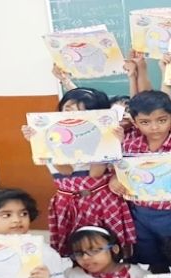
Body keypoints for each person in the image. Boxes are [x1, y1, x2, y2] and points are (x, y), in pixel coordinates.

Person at [21, 87, 136, 258]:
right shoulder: (52, 135)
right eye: (67, 109)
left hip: (101, 201)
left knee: (108, 248)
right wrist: (41, 142)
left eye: (82, 112)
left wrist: (109, 141)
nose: (73, 116)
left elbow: (96, 173)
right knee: (73, 248)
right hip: (68, 201)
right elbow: (65, 170)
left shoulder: (101, 136)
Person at [109, 90, 171, 274]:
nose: (154, 127)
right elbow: (117, 170)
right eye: (145, 122)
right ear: (135, 122)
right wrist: (115, 178)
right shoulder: (128, 145)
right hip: (140, 214)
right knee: (151, 261)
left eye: (161, 120)